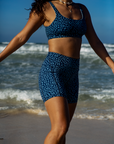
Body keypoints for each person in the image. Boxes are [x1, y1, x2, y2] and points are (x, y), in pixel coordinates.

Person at [0, 0, 114, 143]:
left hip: (72, 75)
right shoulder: (45, 7)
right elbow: (21, 37)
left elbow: (95, 41)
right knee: (60, 127)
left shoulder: (82, 9)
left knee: (62, 132)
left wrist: (112, 64)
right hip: (53, 71)